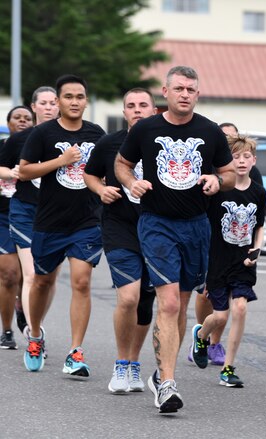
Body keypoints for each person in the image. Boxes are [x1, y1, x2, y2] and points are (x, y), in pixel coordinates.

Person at [116, 65, 236, 413]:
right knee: (168, 304)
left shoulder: (210, 131)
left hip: (196, 226)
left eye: (191, 89)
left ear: (198, 94)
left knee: (181, 306)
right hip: (156, 224)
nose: (185, 94)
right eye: (179, 88)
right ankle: (167, 382)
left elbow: (227, 173)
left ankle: (160, 373)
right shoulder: (147, 128)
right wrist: (130, 182)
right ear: (165, 92)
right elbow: (123, 163)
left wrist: (218, 182)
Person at [18, 75, 106, 375]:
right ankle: (35, 335)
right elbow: (26, 171)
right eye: (68, 97)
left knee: (81, 282)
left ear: (85, 100)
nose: (74, 102)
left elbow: (104, 172)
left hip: (87, 221)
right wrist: (61, 160)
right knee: (42, 281)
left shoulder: (97, 133)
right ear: (58, 101)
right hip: (50, 221)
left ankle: (75, 351)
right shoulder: (42, 133)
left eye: (80, 96)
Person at [84, 88, 158, 393]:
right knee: (128, 297)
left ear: (154, 110)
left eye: (143, 105)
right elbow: (89, 174)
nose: (137, 110)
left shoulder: (162, 142)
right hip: (119, 227)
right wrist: (101, 191)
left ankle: (134, 363)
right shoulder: (109, 143)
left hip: (157, 229)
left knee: (144, 303)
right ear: (124, 112)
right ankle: (121, 364)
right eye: (131, 106)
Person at [191, 135, 265, 388]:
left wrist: (256, 250)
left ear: (254, 160)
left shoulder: (258, 191)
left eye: (246, 157)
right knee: (220, 317)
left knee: (241, 308)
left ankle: (228, 368)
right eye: (236, 157)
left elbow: (260, 226)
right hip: (218, 261)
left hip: (243, 262)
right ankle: (201, 335)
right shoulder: (218, 191)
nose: (241, 161)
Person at [0, 87, 60, 338]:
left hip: (56, 214)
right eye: (43, 103)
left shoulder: (72, 137)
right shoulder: (17, 141)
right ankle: (10, 329)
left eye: (52, 102)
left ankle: (33, 321)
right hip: (16, 212)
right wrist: (13, 173)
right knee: (15, 275)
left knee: (45, 279)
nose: (48, 107)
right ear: (34, 106)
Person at [0, 106, 33, 349]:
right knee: (10, 274)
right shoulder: (3, 147)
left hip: (31, 215)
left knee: (29, 274)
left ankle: (24, 309)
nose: (22, 121)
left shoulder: (37, 148)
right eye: (17, 118)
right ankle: (7, 329)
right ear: (9, 122)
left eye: (26, 118)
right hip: (3, 216)